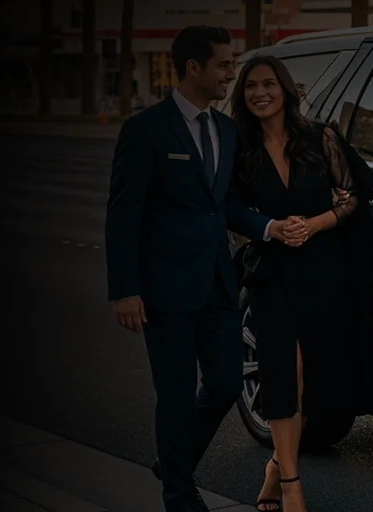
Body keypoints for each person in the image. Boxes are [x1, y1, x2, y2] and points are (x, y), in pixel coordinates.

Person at [106, 25, 292, 512]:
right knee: (174, 394)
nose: (232, 74)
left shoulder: (225, 130)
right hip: (163, 289)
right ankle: (180, 495)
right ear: (194, 68)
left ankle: (174, 461)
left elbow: (224, 204)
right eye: (225, 65)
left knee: (228, 382)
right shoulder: (145, 130)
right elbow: (123, 215)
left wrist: (270, 227)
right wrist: (124, 289)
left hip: (217, 284)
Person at [227, 55, 373, 511]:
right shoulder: (240, 149)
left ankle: (276, 466)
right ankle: (293, 485)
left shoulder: (321, 139)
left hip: (323, 269)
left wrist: (316, 223)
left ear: (286, 90)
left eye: (269, 84)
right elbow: (231, 207)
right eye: (251, 86)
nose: (261, 93)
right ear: (243, 95)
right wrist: (271, 227)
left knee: (311, 375)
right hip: (270, 271)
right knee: (282, 371)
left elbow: (356, 194)